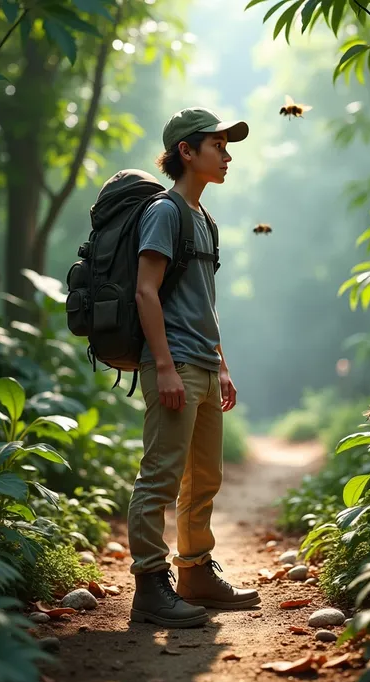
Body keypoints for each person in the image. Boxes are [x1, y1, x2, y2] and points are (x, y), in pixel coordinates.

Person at [128, 107, 261, 628]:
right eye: (218, 146)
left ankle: (196, 573)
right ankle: (149, 586)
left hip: (203, 365)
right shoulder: (165, 212)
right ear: (187, 151)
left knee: (204, 478)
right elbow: (145, 290)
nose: (227, 156)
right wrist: (162, 365)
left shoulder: (206, 220)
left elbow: (205, 302)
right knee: (160, 477)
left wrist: (222, 366)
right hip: (174, 364)